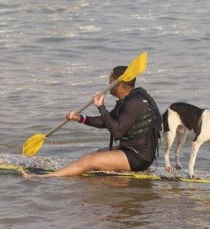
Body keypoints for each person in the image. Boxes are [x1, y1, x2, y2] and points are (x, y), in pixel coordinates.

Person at [21, 65, 162, 178]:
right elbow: (106, 122)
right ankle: (118, 177)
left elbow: (117, 131)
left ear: (117, 83)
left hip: (139, 156)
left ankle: (47, 177)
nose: (108, 83)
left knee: (89, 160)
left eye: (110, 80)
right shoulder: (130, 99)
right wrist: (80, 118)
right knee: (95, 155)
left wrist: (101, 107)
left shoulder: (135, 102)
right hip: (131, 151)